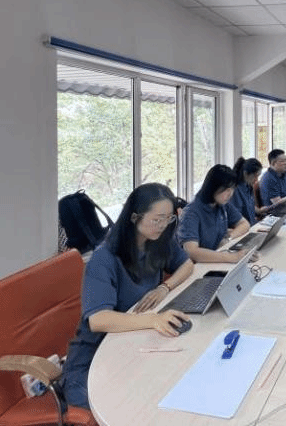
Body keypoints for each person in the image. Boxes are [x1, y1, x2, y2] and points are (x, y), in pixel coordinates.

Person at [62, 183, 194, 409]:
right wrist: (153, 320)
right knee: (135, 406)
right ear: (134, 217)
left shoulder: (158, 241)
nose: (163, 225)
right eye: (157, 219)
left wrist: (165, 287)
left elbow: (187, 265)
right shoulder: (104, 258)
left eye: (169, 218)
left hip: (134, 344)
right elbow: (98, 320)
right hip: (93, 361)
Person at [176, 164, 252, 262]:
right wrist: (233, 257)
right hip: (199, 266)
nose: (230, 194)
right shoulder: (191, 212)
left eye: (232, 189)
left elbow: (244, 224)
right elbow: (192, 251)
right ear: (213, 187)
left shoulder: (222, 204)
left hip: (218, 259)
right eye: (226, 190)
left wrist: (228, 238)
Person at [230, 157, 271, 224]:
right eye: (255, 176)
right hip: (245, 227)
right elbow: (236, 218)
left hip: (253, 223)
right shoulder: (235, 190)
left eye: (258, 176)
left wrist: (259, 211)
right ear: (245, 174)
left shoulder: (249, 187)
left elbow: (250, 207)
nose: (256, 180)